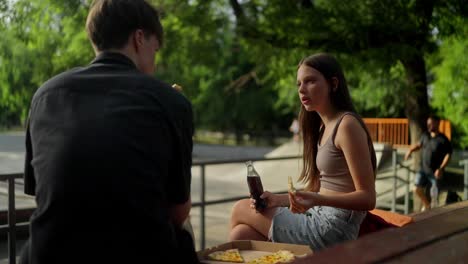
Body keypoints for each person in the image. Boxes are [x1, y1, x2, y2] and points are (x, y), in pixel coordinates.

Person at [19, 0, 197, 263]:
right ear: (139, 38)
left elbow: (43, 193)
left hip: (49, 254)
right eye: (155, 50)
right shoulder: (170, 102)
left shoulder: (45, 95)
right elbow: (178, 212)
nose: (154, 63)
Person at [229, 53, 376, 251]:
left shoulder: (346, 125)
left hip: (333, 229)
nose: (301, 89)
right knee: (242, 235)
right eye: (299, 84)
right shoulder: (324, 128)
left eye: (310, 81)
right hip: (318, 215)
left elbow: (368, 198)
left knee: (240, 209)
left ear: (333, 84)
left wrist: (317, 200)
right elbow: (320, 190)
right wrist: (278, 199)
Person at [404, 115, 452, 211]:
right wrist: (410, 150)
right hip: (423, 169)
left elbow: (448, 155)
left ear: (437, 123)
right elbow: (419, 145)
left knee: (434, 196)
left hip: (435, 172)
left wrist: (441, 168)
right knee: (416, 189)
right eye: (428, 124)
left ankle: (432, 212)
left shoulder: (443, 139)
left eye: (431, 123)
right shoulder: (425, 135)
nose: (429, 126)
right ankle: (427, 205)